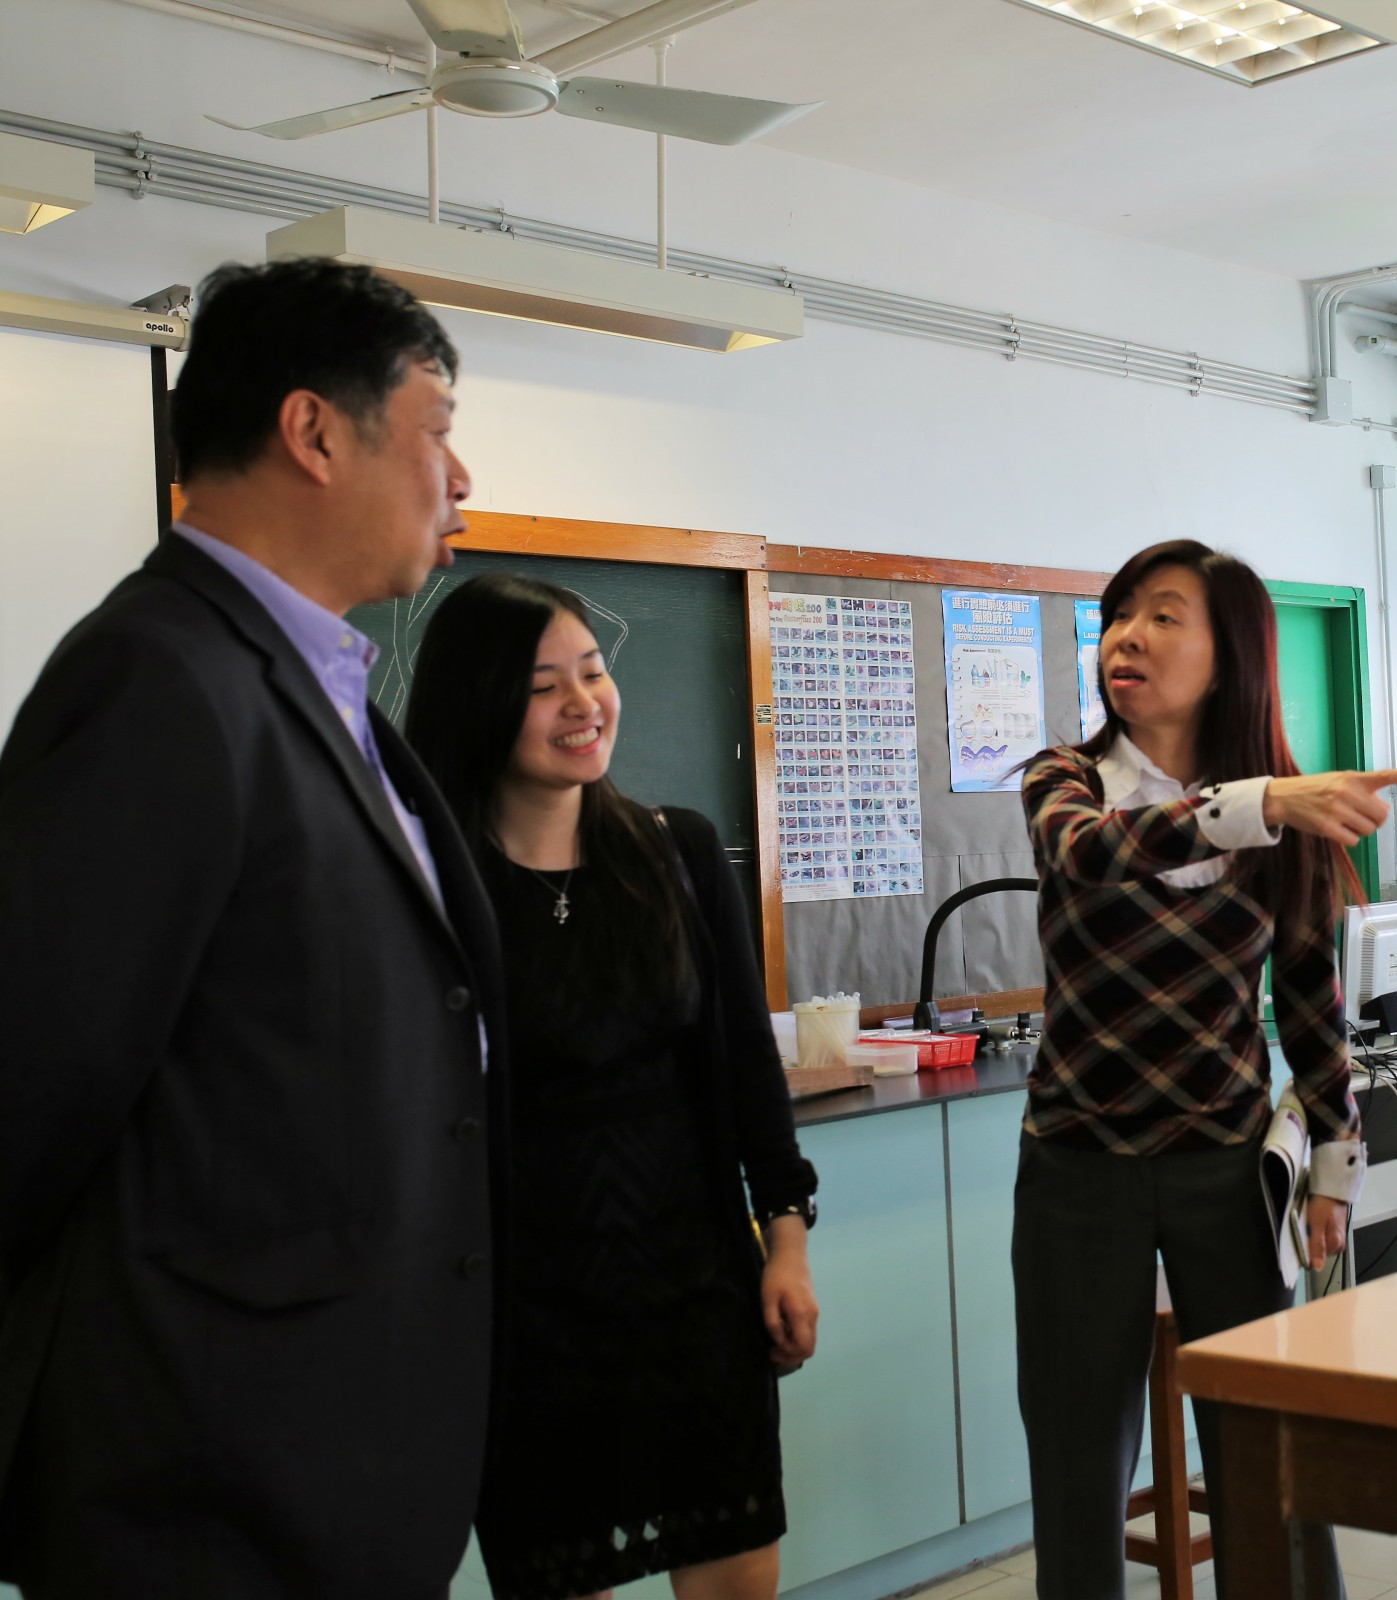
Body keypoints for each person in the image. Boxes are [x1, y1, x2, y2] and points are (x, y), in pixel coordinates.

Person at [0, 258, 497, 1597]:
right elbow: (36, 1081)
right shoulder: (159, 676)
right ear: (315, 432)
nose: (460, 477)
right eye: (438, 429)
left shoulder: (315, 687)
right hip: (210, 1479)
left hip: (333, 1449)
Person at [1014, 540, 1397, 1600]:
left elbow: (1311, 1001)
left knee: (1263, 1452)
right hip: (1076, 1169)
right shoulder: (1066, 781)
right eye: (1119, 614)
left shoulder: (1287, 813)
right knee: (1076, 1457)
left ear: (1228, 653)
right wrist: (1262, 805)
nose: (1127, 637)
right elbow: (1086, 853)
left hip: (1230, 1165)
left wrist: (1336, 1160)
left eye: (1162, 616)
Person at [404, 573, 819, 1600]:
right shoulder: (434, 888)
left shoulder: (677, 852)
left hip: (696, 1296)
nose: (583, 703)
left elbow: (746, 1067)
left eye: (592, 671)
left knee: (736, 1574)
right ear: (478, 703)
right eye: (544, 685)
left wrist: (786, 1241)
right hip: (527, 1320)